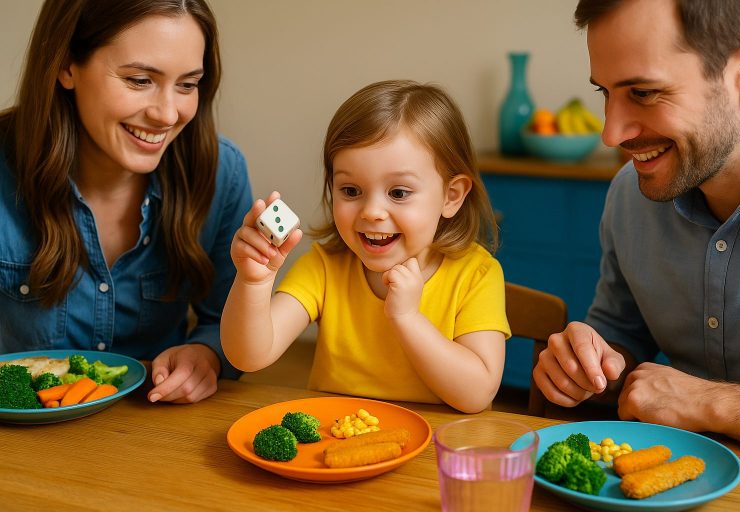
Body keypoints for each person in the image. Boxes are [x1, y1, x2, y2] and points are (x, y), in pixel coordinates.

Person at [534, 0, 740, 450]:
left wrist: (710, 402)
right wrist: (591, 363)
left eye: (643, 92)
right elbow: (622, 331)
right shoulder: (630, 194)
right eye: (605, 93)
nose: (611, 133)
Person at [0, 0, 253, 404]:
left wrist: (206, 355)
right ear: (66, 65)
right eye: (139, 80)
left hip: (152, 434)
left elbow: (225, 320)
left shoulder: (222, 172)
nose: (168, 114)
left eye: (187, 84)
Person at [222, 80, 510, 413]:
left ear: (452, 196)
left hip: (436, 453)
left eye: (399, 193)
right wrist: (253, 282)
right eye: (351, 191)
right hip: (337, 446)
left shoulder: (477, 275)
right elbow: (248, 355)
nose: (371, 212)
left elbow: (476, 395)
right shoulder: (324, 267)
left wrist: (408, 318)